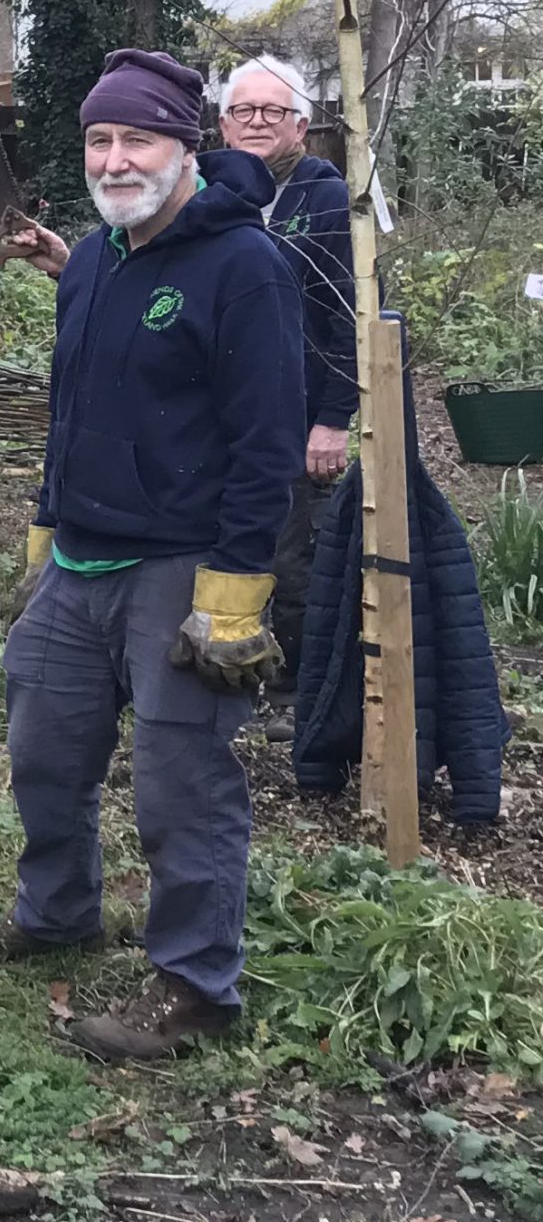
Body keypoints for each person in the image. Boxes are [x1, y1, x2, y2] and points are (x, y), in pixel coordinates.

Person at [0, 49, 304, 1060]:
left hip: (182, 561)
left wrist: (233, 594)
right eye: (98, 140)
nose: (116, 159)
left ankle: (195, 986)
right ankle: (56, 915)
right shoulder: (88, 259)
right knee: (44, 753)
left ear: (185, 150)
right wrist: (44, 529)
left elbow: (267, 441)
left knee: (181, 783)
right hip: (79, 558)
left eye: (138, 139)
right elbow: (70, 409)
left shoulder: (243, 265)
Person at [218, 55, 357, 739]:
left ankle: (298, 692)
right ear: (222, 123)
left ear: (302, 123)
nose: (258, 122)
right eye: (244, 110)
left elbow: (351, 317)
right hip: (226, 418)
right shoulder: (213, 196)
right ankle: (233, 671)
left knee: (293, 553)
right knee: (232, 544)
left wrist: (334, 418)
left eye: (274, 111)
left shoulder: (326, 198)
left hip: (299, 418)